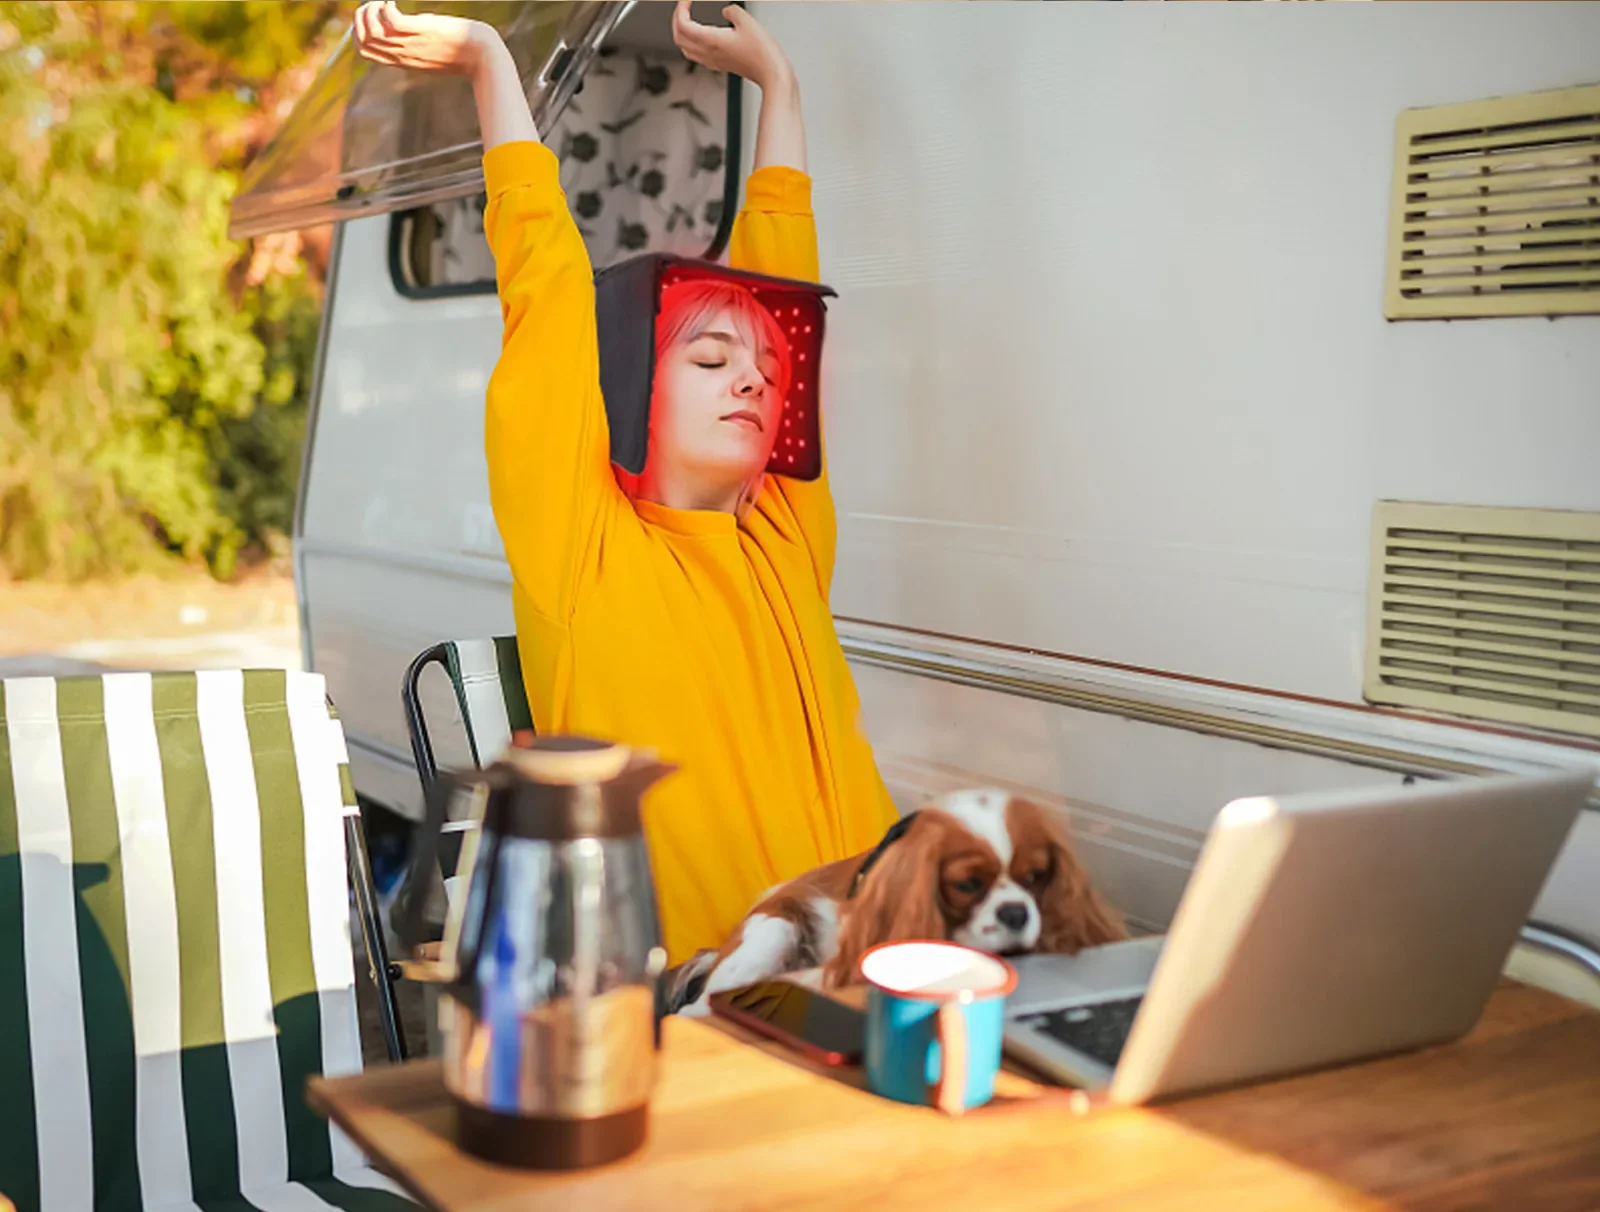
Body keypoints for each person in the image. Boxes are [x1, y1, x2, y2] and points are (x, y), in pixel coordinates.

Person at [353, 1, 899, 965]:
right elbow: (549, 296)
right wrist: (489, 65)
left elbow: (784, 272)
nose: (754, 379)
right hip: (709, 1000)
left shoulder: (785, 536)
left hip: (871, 963)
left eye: (767, 372)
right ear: (634, 391)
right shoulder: (584, 550)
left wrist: (782, 89)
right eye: (710, 359)